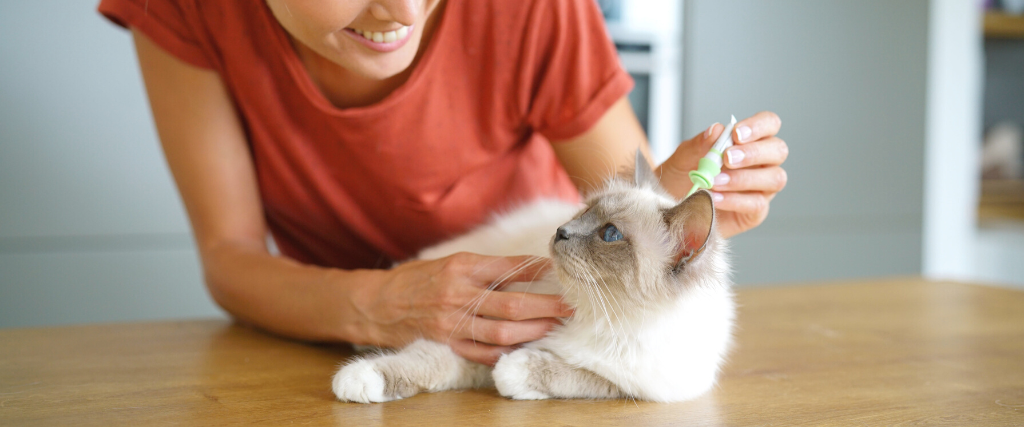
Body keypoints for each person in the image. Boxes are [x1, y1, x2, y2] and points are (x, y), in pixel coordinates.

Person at [98, 0, 788, 365]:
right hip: (322, 350)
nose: (402, 11)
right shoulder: (184, 6)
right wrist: (377, 303)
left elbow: (641, 199)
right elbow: (229, 258)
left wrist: (671, 214)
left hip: (530, 343)